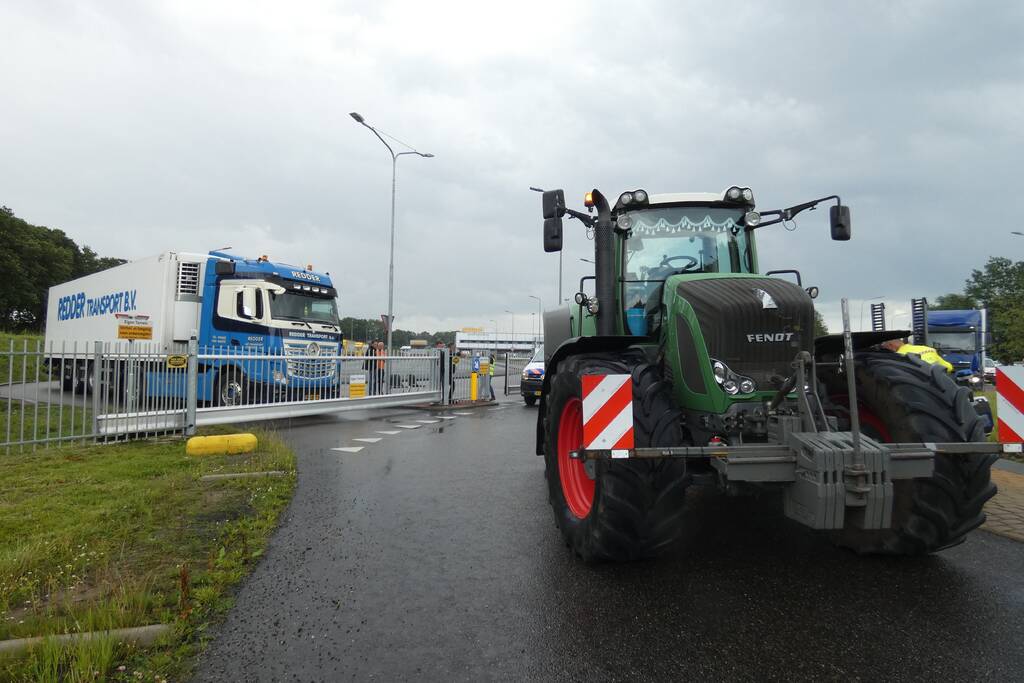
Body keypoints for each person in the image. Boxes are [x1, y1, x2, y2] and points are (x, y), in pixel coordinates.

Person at [881, 338, 954, 373]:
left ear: (891, 345)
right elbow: (949, 367)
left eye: (885, 347)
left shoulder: (898, 356)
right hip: (940, 385)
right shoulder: (929, 349)